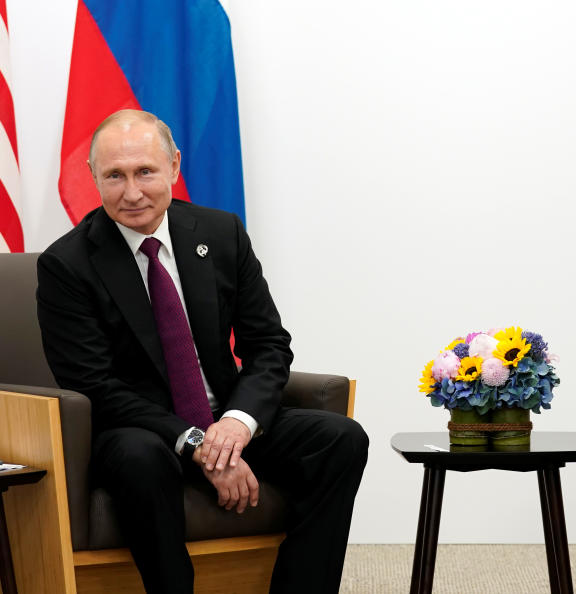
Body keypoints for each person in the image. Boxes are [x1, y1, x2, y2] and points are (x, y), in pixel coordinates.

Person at [36, 109, 368, 594]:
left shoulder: (220, 233)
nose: (132, 192)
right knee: (139, 456)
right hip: (140, 428)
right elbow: (94, 386)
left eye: (145, 171)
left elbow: (269, 345)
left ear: (174, 166)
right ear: (93, 177)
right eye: (115, 176)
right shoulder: (66, 265)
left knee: (341, 438)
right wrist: (198, 445)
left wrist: (236, 424)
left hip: (224, 415)